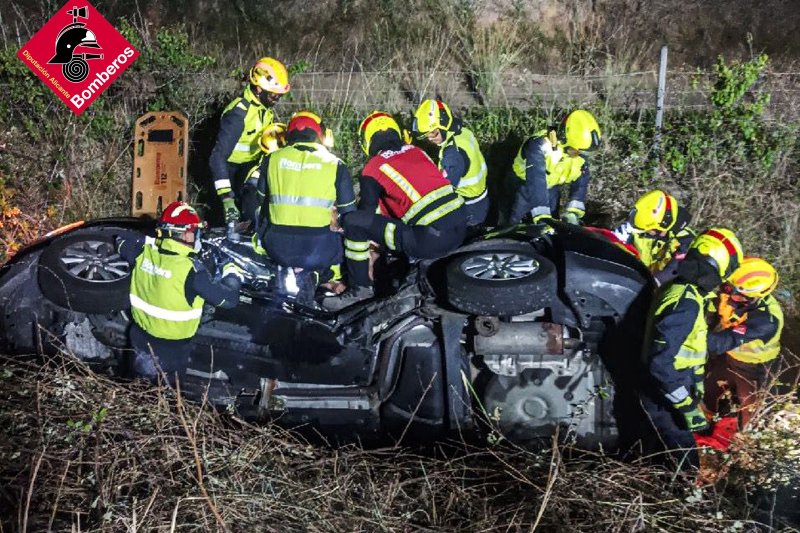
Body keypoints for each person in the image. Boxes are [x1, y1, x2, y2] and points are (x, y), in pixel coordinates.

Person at [324, 111, 467, 311]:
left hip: (429, 241)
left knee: (353, 223)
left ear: (367, 141)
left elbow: (365, 215)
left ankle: (359, 290)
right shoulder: (418, 151)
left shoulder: (374, 167)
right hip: (461, 229)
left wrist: (342, 222)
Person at [640, 227, 743, 466]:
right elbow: (661, 363)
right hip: (665, 393)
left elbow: (689, 346)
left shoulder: (685, 290)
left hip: (672, 387)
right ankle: (680, 493)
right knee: (682, 456)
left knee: (658, 446)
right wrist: (687, 407)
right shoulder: (686, 303)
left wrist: (695, 385)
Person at [117, 201, 243, 384]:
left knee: (136, 385)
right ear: (185, 234)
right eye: (195, 233)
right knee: (166, 396)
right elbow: (229, 300)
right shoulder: (192, 272)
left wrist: (151, 240)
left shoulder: (142, 252)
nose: (197, 238)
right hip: (171, 349)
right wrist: (232, 273)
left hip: (140, 336)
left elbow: (120, 241)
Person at [253, 110, 356, 305]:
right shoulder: (336, 164)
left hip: (276, 247)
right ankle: (322, 277)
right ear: (319, 134)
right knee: (345, 230)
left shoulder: (272, 159)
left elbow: (260, 199)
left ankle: (280, 274)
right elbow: (349, 212)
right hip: (320, 250)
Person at [704, 257, 783, 428]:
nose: (729, 295)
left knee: (751, 414)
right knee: (708, 391)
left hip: (755, 369)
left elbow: (721, 342)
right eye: (727, 288)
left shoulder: (766, 320)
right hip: (729, 358)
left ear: (753, 297)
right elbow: (711, 311)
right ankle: (701, 427)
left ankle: (743, 444)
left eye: (736, 294)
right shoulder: (730, 293)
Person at [210, 57, 290, 225]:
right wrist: (227, 198)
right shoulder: (239, 114)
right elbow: (218, 157)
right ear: (259, 89)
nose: (277, 99)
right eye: (274, 94)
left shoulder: (264, 110)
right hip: (229, 172)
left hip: (249, 168)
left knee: (252, 212)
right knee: (229, 222)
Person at [508, 109, 601, 225]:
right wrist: (542, 215)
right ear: (567, 140)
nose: (581, 156)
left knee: (552, 228)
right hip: (522, 187)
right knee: (513, 227)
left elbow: (581, 180)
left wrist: (574, 212)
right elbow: (536, 179)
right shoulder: (539, 145)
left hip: (551, 189)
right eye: (578, 151)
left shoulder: (579, 151)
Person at [412, 99, 489, 226]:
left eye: (433, 133)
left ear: (444, 124)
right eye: (426, 136)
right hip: (481, 197)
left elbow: (443, 192)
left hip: (468, 207)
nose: (430, 139)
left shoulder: (452, 155)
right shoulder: (462, 132)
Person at [613, 190, 698, 285]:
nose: (644, 232)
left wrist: (655, 282)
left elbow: (679, 267)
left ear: (663, 226)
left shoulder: (685, 240)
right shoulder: (634, 228)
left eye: (649, 229)